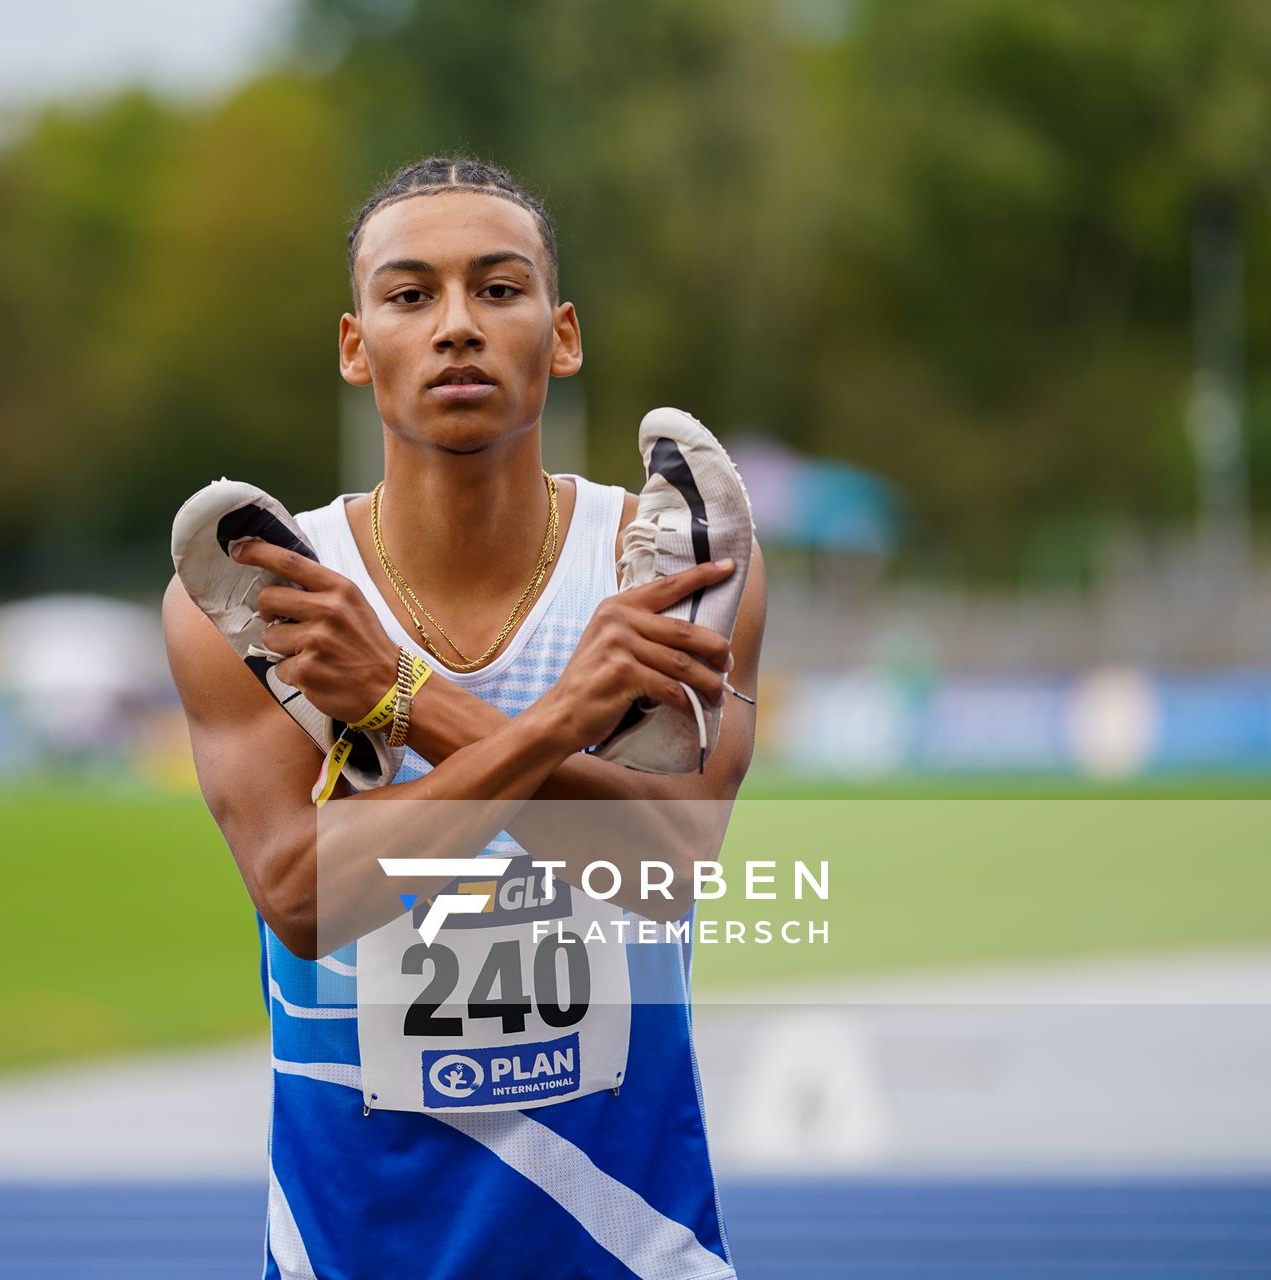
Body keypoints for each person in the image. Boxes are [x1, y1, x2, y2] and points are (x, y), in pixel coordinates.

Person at [164, 155, 767, 1280]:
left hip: (635, 1251)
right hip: (356, 1252)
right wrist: (562, 718)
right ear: (356, 346)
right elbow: (305, 897)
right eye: (410, 294)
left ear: (564, 332)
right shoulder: (263, 597)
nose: (456, 326)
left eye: (498, 289)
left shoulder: (675, 566)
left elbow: (667, 868)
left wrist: (399, 699)